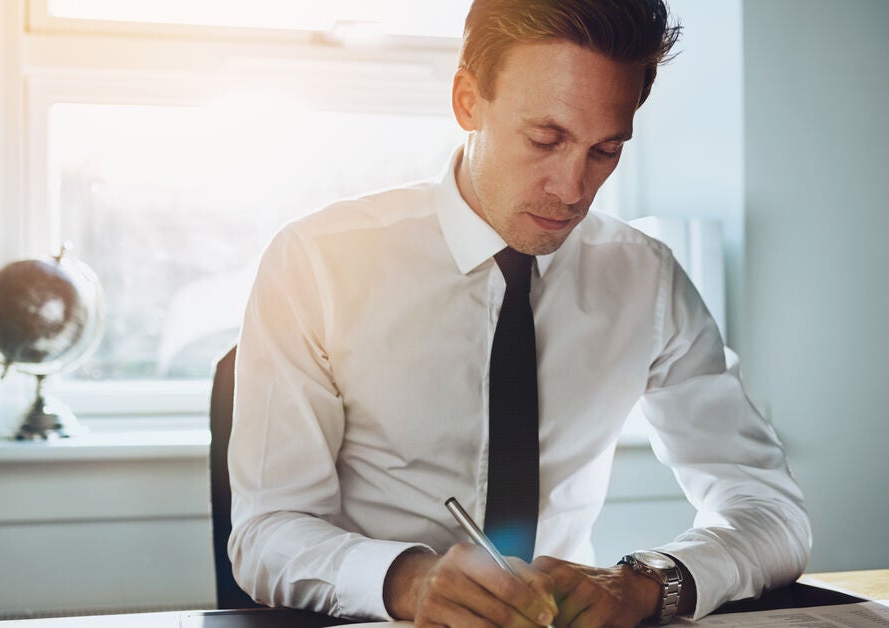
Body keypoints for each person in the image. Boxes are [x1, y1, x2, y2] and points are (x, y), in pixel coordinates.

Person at [228, 1, 811, 626]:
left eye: (605, 150)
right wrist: (407, 581)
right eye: (545, 139)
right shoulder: (318, 262)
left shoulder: (646, 277)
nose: (572, 190)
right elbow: (266, 534)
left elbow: (770, 512)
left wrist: (649, 583)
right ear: (467, 101)